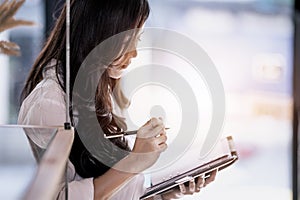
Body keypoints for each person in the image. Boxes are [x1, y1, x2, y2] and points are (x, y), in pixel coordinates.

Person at [18, 0, 217, 199]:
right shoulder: (48, 104)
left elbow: (111, 188)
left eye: (137, 41)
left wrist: (163, 192)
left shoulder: (94, 90)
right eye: (126, 41)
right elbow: (56, 197)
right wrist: (135, 161)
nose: (134, 53)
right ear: (97, 35)